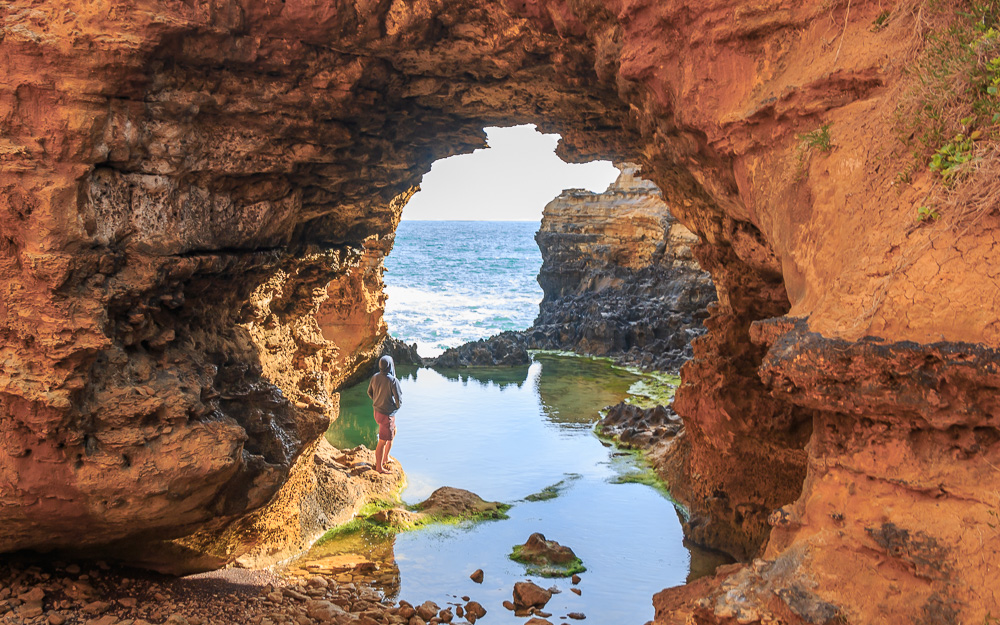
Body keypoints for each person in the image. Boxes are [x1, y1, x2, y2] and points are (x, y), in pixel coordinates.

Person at [366, 354, 402, 474]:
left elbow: (369, 392)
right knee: (382, 442)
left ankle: (386, 457)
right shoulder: (393, 381)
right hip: (387, 414)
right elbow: (399, 401)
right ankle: (379, 467)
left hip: (377, 412)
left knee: (393, 431)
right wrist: (393, 407)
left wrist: (378, 401)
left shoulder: (375, 377)